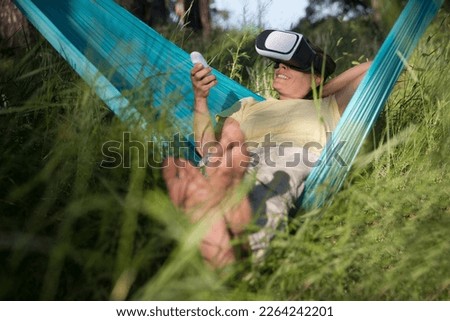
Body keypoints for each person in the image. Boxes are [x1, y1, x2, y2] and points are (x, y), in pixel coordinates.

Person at [163, 30, 371, 268]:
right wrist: (200, 98)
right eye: (279, 65)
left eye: (292, 66)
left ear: (315, 78)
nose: (280, 69)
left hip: (288, 155)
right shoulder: (248, 106)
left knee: (269, 183)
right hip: (238, 156)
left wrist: (320, 90)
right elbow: (208, 149)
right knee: (218, 162)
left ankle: (237, 245)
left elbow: (375, 67)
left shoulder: (329, 106)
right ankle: (222, 216)